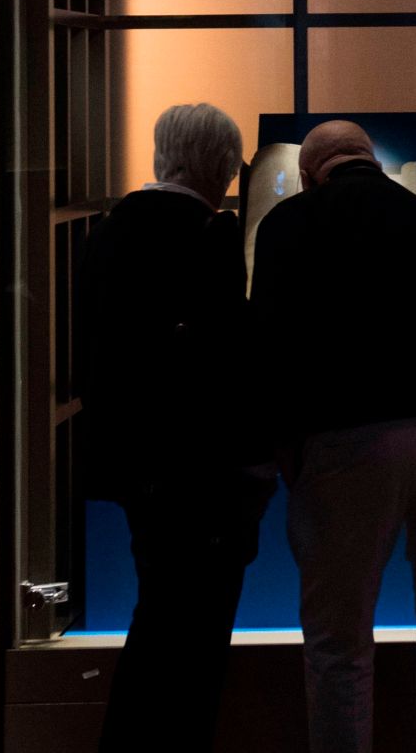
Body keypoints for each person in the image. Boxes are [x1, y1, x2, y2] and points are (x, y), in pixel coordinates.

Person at [254, 120, 416, 753]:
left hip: (351, 439)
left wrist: (284, 450)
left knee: (341, 640)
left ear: (309, 175)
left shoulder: (290, 225)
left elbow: (272, 349)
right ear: (371, 162)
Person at [78, 102, 273, 753]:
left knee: (156, 613)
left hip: (134, 461)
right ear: (218, 163)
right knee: (192, 639)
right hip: (202, 473)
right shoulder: (211, 234)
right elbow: (227, 359)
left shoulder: (107, 230)